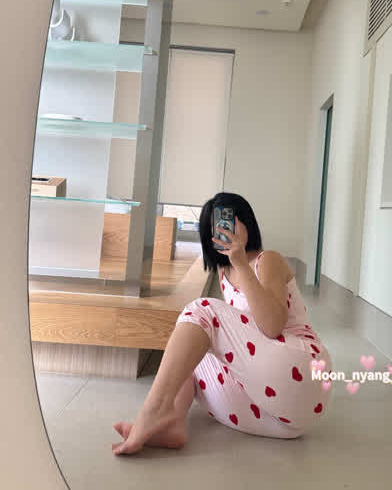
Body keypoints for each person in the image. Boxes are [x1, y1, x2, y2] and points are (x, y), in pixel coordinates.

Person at [112, 192, 333, 456]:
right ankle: (173, 423)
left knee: (201, 310)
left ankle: (155, 410)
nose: (223, 231)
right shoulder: (224, 271)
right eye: (216, 227)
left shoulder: (268, 260)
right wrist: (234, 264)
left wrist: (241, 263)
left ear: (246, 224)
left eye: (229, 222)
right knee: (189, 350)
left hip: (300, 366)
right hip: (281, 420)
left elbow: (272, 327)